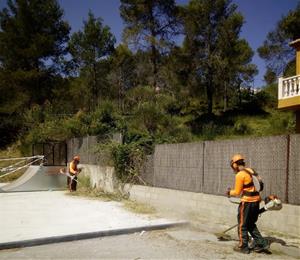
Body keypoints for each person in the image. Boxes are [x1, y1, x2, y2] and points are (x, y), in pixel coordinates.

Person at [227, 154, 269, 254]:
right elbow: (258, 185)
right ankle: (262, 243)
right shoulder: (251, 170)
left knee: (242, 225)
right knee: (250, 224)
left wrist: (229, 192)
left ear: (235, 165)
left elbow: (237, 192)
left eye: (233, 165)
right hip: (256, 202)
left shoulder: (240, 175)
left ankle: (243, 246)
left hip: (247, 203)